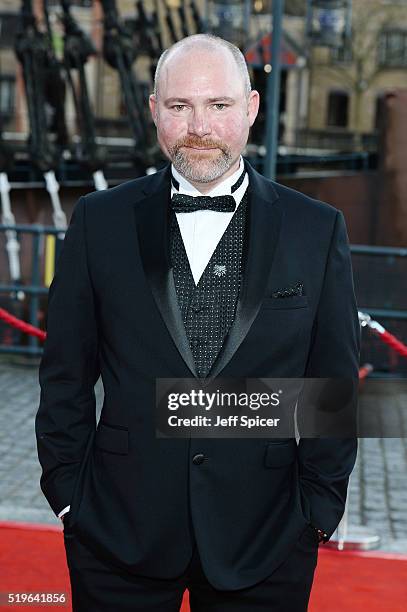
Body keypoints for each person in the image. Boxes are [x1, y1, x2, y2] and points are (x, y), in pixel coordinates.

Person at [35, 33, 360, 611]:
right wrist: (69, 497)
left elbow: (329, 387)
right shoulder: (98, 222)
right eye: (180, 106)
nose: (199, 126)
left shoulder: (318, 229)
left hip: (268, 538)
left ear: (252, 108)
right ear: (155, 110)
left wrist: (317, 512)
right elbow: (65, 373)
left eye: (218, 105)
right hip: (116, 534)